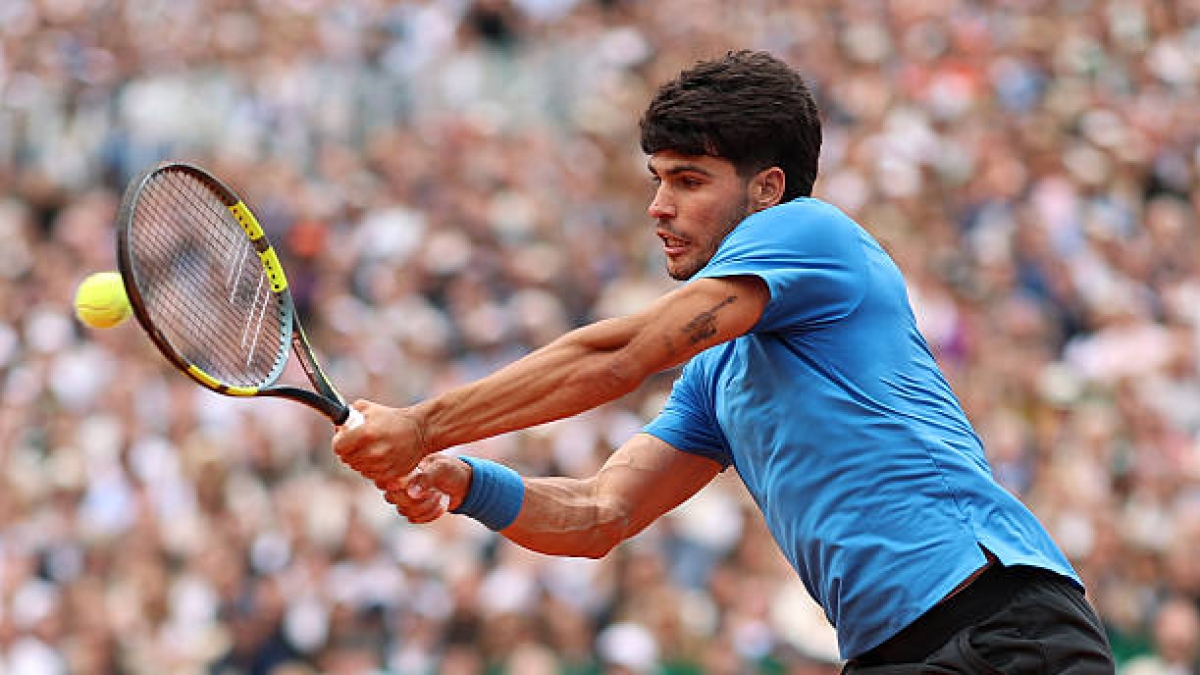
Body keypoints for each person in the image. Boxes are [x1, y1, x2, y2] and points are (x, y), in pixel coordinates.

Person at [332, 50, 1116, 673]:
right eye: (657, 180)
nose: (658, 206)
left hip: (1001, 627)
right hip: (893, 652)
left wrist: (424, 422)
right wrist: (466, 480)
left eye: (689, 180)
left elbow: (622, 354)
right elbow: (602, 512)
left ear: (768, 189)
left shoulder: (815, 232)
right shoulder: (718, 377)